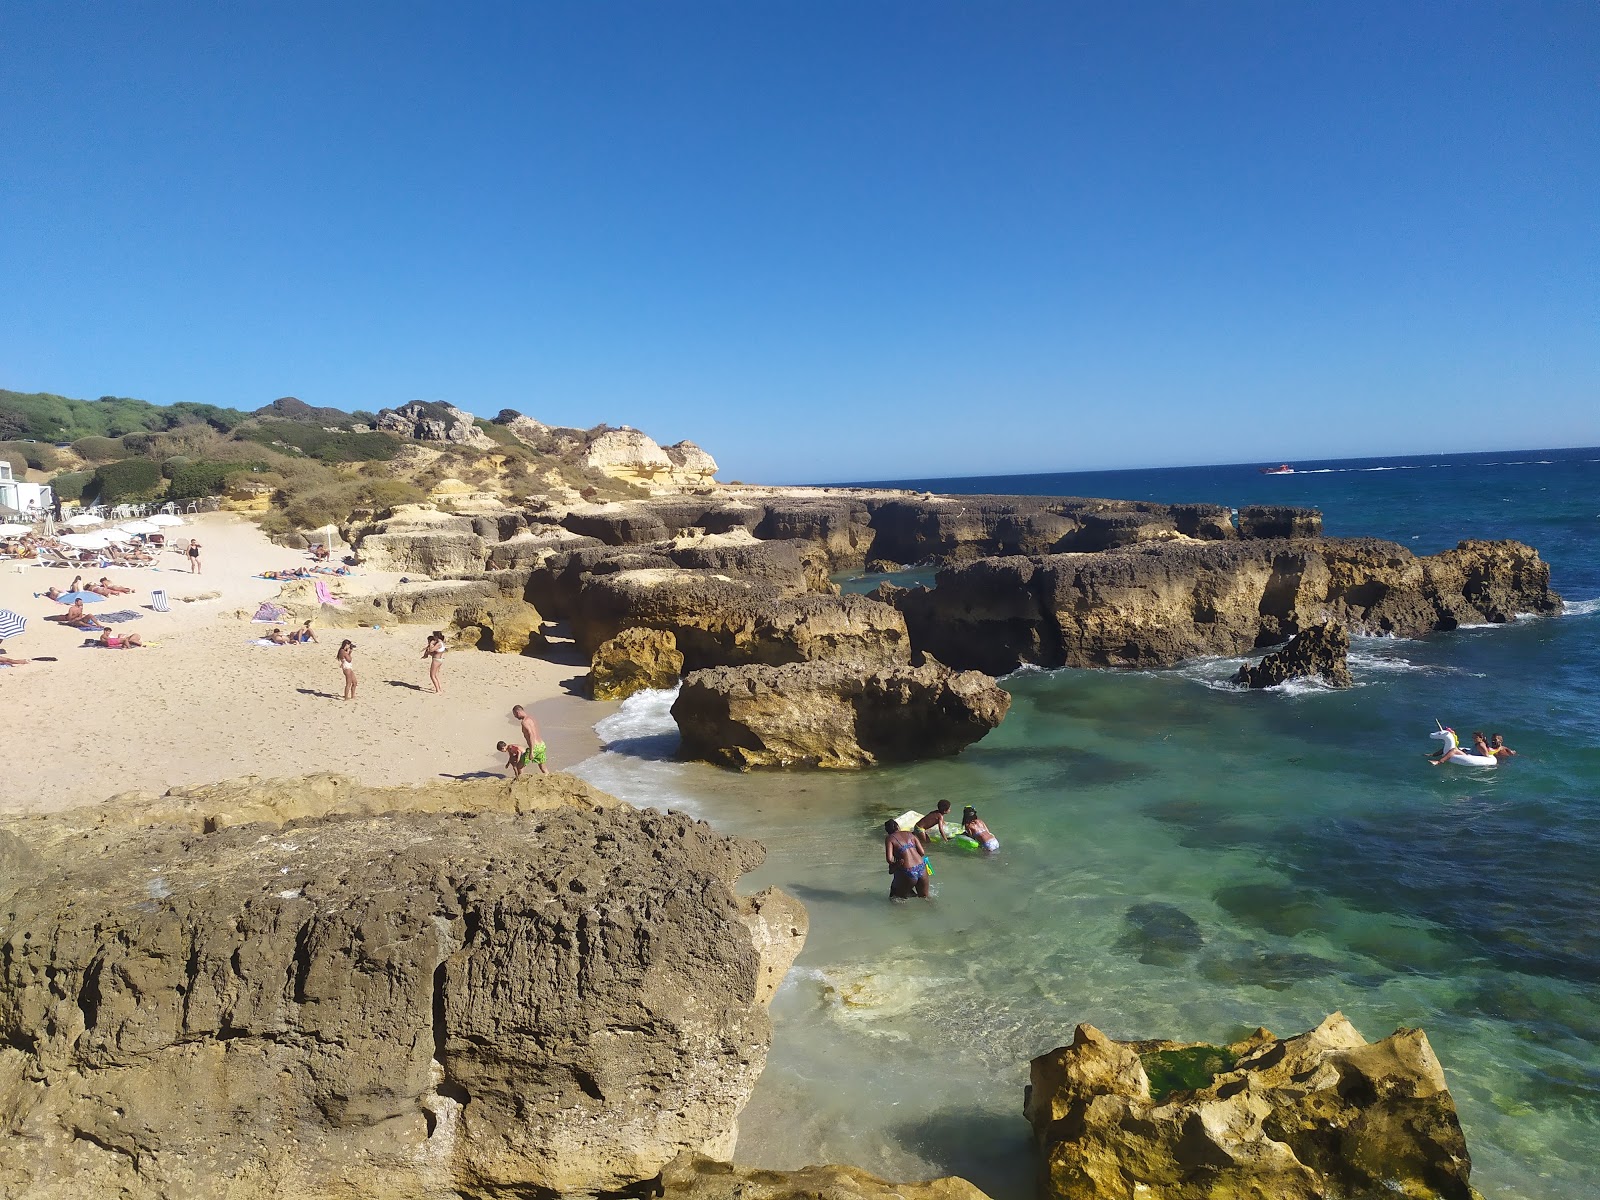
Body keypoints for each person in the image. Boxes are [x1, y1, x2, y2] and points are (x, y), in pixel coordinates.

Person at [883, 819, 931, 899]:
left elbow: (889, 859)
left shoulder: (890, 838)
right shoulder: (910, 834)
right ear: (898, 826)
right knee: (925, 898)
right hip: (922, 867)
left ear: (887, 831)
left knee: (896, 899)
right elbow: (922, 852)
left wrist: (896, 864)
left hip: (908, 871)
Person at [512, 704, 550, 775]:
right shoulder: (531, 718)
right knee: (543, 767)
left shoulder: (524, 722)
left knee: (519, 766)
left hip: (535, 747)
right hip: (541, 745)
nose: (515, 717)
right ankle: (549, 777)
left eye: (515, 715)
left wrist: (531, 751)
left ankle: (520, 782)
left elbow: (531, 735)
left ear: (518, 712)